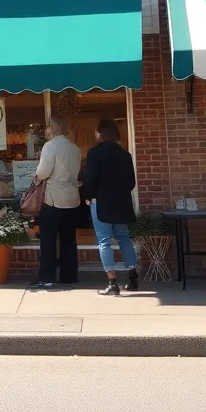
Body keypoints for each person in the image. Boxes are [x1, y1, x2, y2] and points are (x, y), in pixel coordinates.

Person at [81, 118, 139, 296]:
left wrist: (88, 196)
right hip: (122, 203)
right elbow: (131, 183)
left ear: (101, 133)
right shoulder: (125, 154)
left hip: (101, 202)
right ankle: (133, 276)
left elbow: (90, 180)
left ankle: (112, 282)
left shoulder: (95, 153)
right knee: (124, 238)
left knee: (104, 241)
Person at [31, 114, 82, 289]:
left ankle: (46, 277)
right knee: (69, 240)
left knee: (48, 241)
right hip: (72, 198)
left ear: (52, 128)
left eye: (47, 126)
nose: (46, 129)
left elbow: (44, 171)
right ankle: (69, 276)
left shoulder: (50, 146)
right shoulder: (75, 148)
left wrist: (36, 178)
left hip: (53, 199)